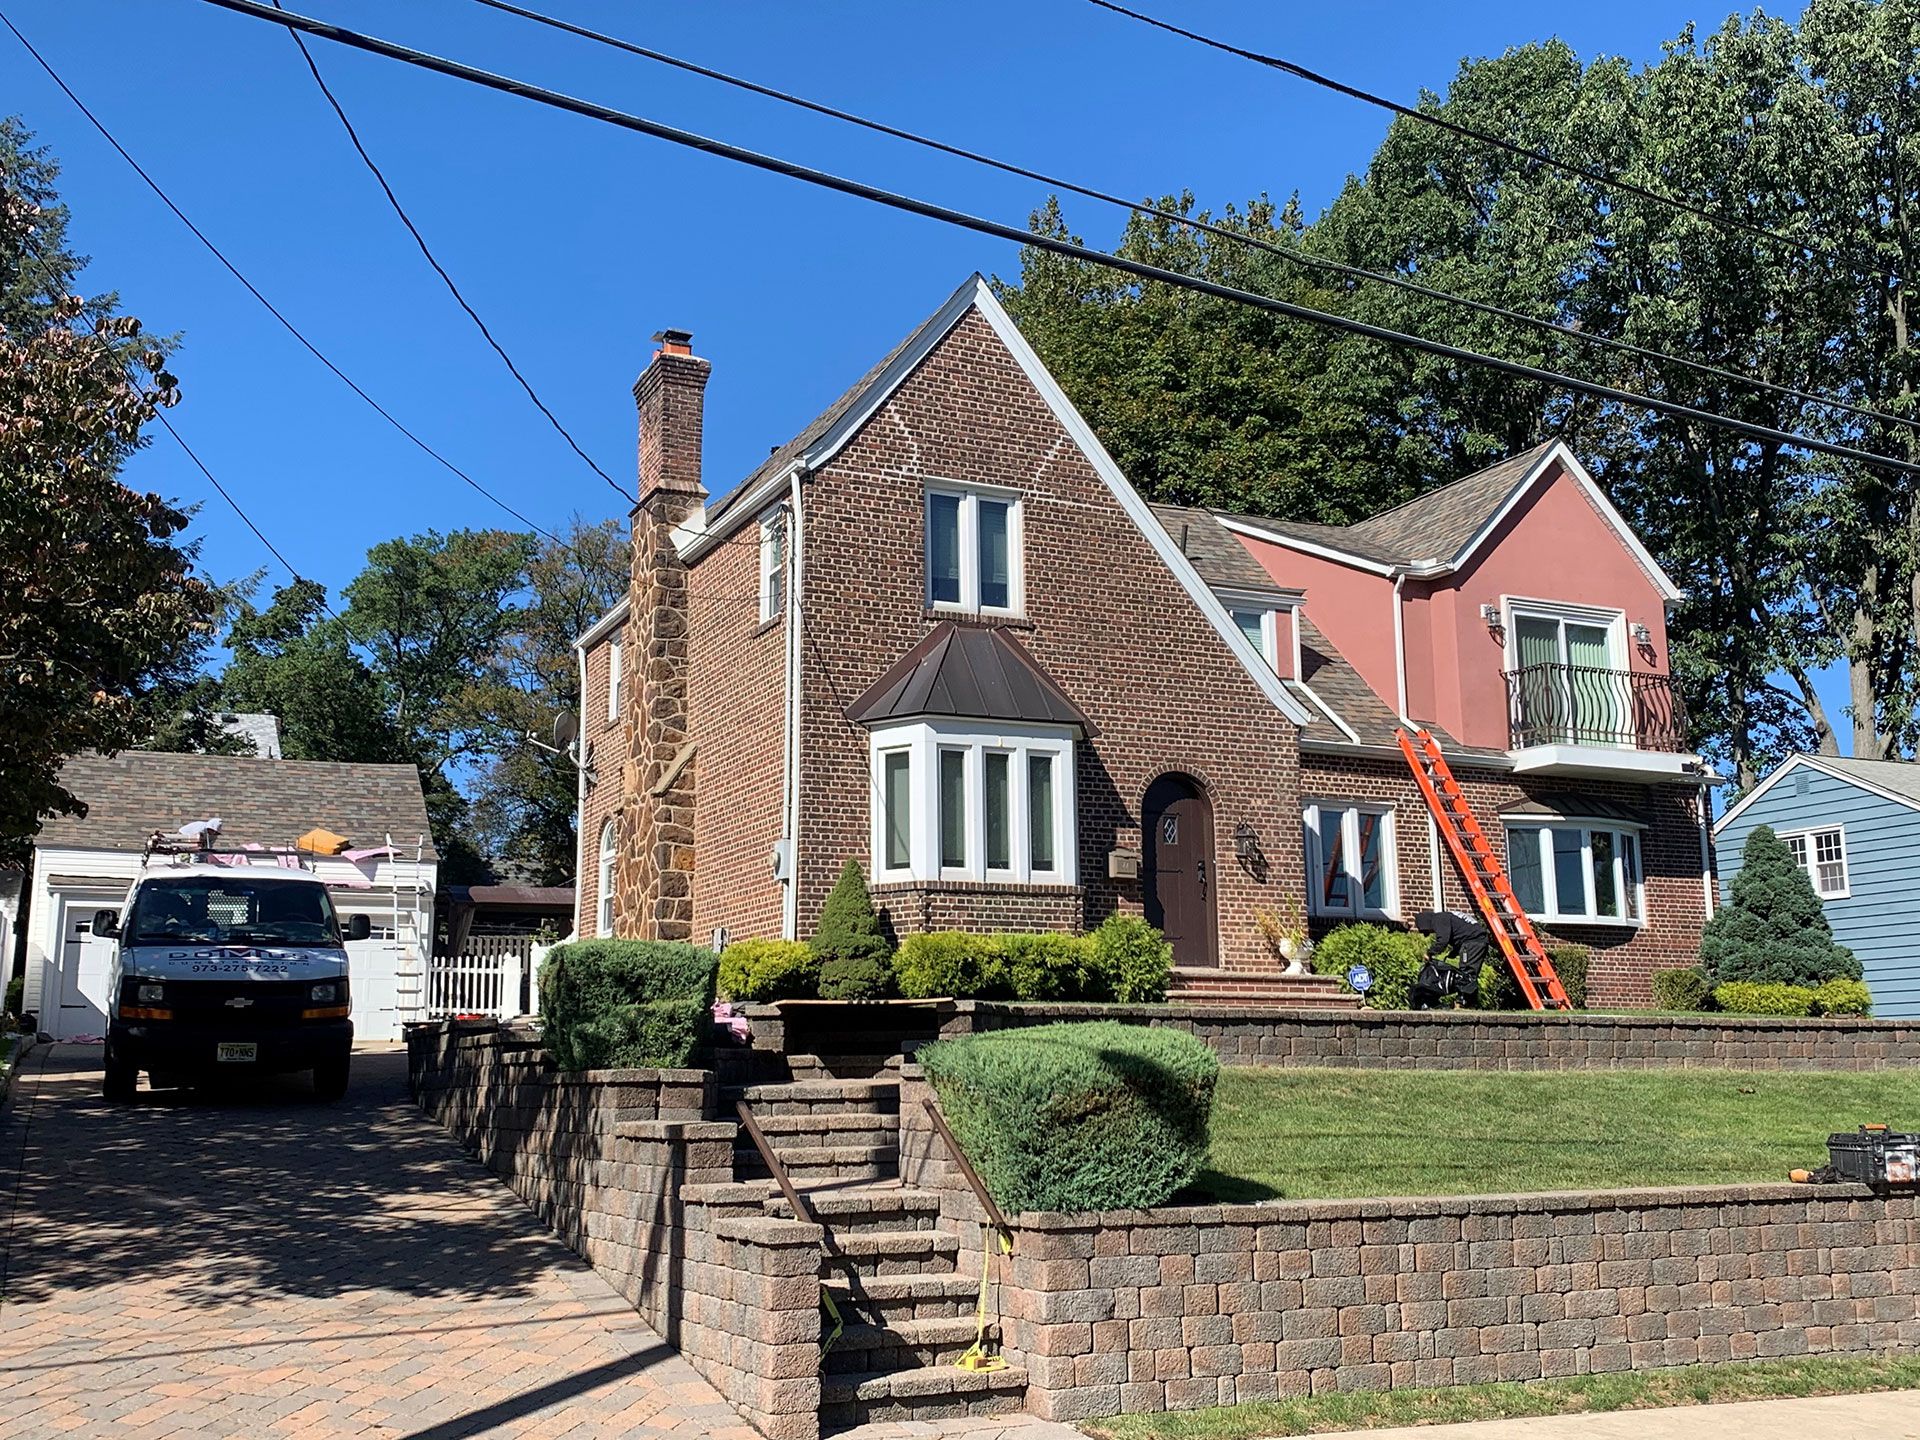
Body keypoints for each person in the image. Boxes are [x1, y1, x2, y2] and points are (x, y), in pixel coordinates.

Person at [1407, 909, 1491, 1009]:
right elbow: (1462, 932)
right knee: (1470, 975)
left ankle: (1462, 1003)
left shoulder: (1439, 919)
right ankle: (1471, 1003)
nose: (1431, 932)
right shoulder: (1446, 916)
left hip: (1472, 943)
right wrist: (1454, 952)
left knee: (1466, 973)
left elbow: (1442, 941)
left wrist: (1430, 953)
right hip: (1478, 941)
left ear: (1426, 924)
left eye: (1428, 931)